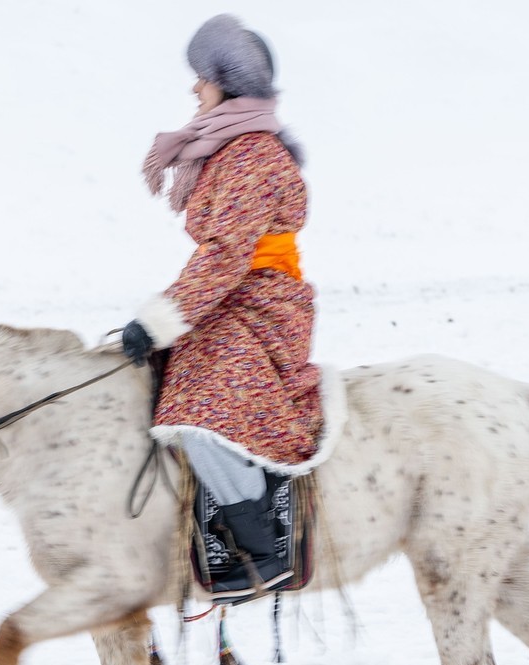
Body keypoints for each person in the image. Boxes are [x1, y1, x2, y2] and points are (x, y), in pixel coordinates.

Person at [121, 14, 323, 585]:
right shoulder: (230, 149)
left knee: (196, 415)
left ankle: (262, 547)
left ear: (227, 82)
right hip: (234, 297)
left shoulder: (250, 156)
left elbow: (227, 255)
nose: (194, 88)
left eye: (201, 77)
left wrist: (159, 319)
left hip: (259, 303)